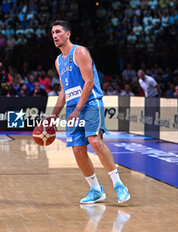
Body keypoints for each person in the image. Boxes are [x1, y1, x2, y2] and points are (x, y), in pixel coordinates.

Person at [49, 20, 130, 204]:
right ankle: (95, 190)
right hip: (72, 107)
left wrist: (78, 109)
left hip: (91, 103)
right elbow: (63, 91)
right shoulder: (58, 61)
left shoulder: (80, 52)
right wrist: (53, 115)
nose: (55, 35)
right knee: (78, 150)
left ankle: (119, 185)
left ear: (67, 34)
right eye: (53, 32)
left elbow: (89, 82)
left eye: (58, 32)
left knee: (94, 140)